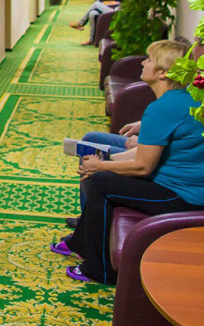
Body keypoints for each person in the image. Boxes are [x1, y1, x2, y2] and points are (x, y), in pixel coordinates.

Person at [50, 39, 204, 284]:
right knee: (101, 172)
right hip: (181, 186)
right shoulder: (183, 99)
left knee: (101, 182)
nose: (143, 63)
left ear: (163, 73)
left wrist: (100, 165)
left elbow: (143, 166)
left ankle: (99, 270)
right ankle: (81, 241)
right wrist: (105, 160)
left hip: (183, 197)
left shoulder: (164, 107)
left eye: (149, 60)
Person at [69, 0, 137, 44]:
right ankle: (91, 40)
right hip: (115, 10)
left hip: (116, 13)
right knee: (92, 14)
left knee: (96, 4)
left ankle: (80, 23)